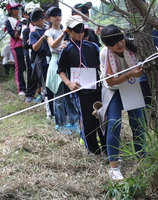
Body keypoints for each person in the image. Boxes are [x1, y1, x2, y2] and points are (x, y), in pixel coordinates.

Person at [98, 25, 146, 181]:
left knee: (138, 122)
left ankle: (142, 157)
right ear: (107, 45)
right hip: (113, 90)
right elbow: (110, 81)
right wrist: (130, 73)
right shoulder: (105, 54)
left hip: (132, 87)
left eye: (120, 39)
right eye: (114, 43)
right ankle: (114, 167)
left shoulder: (133, 44)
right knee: (114, 123)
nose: (120, 44)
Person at [57, 15, 106, 154]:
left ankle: (106, 148)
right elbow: (60, 70)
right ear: (68, 31)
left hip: (97, 88)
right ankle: (93, 150)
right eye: (76, 30)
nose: (80, 33)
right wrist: (69, 84)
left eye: (82, 30)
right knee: (87, 120)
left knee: (102, 118)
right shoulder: (66, 49)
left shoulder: (93, 46)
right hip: (81, 91)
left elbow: (100, 65)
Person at [45, 7, 80, 134]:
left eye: (59, 14)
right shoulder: (49, 32)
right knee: (58, 97)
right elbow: (53, 45)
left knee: (69, 96)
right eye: (54, 15)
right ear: (48, 19)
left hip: (66, 62)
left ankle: (73, 122)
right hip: (55, 63)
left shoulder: (64, 30)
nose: (57, 17)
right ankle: (60, 124)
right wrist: (63, 36)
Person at [29, 7, 54, 117]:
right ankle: (50, 113)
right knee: (46, 88)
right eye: (36, 18)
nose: (40, 19)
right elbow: (35, 48)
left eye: (41, 16)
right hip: (42, 62)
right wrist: (43, 37)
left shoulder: (51, 29)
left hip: (53, 61)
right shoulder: (33, 34)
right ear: (32, 22)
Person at [5, 2, 27, 95]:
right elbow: (13, 35)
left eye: (18, 8)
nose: (17, 10)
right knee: (20, 67)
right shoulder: (8, 21)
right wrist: (19, 28)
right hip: (16, 46)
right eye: (15, 9)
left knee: (28, 67)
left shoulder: (23, 19)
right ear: (10, 11)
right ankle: (21, 89)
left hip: (26, 45)